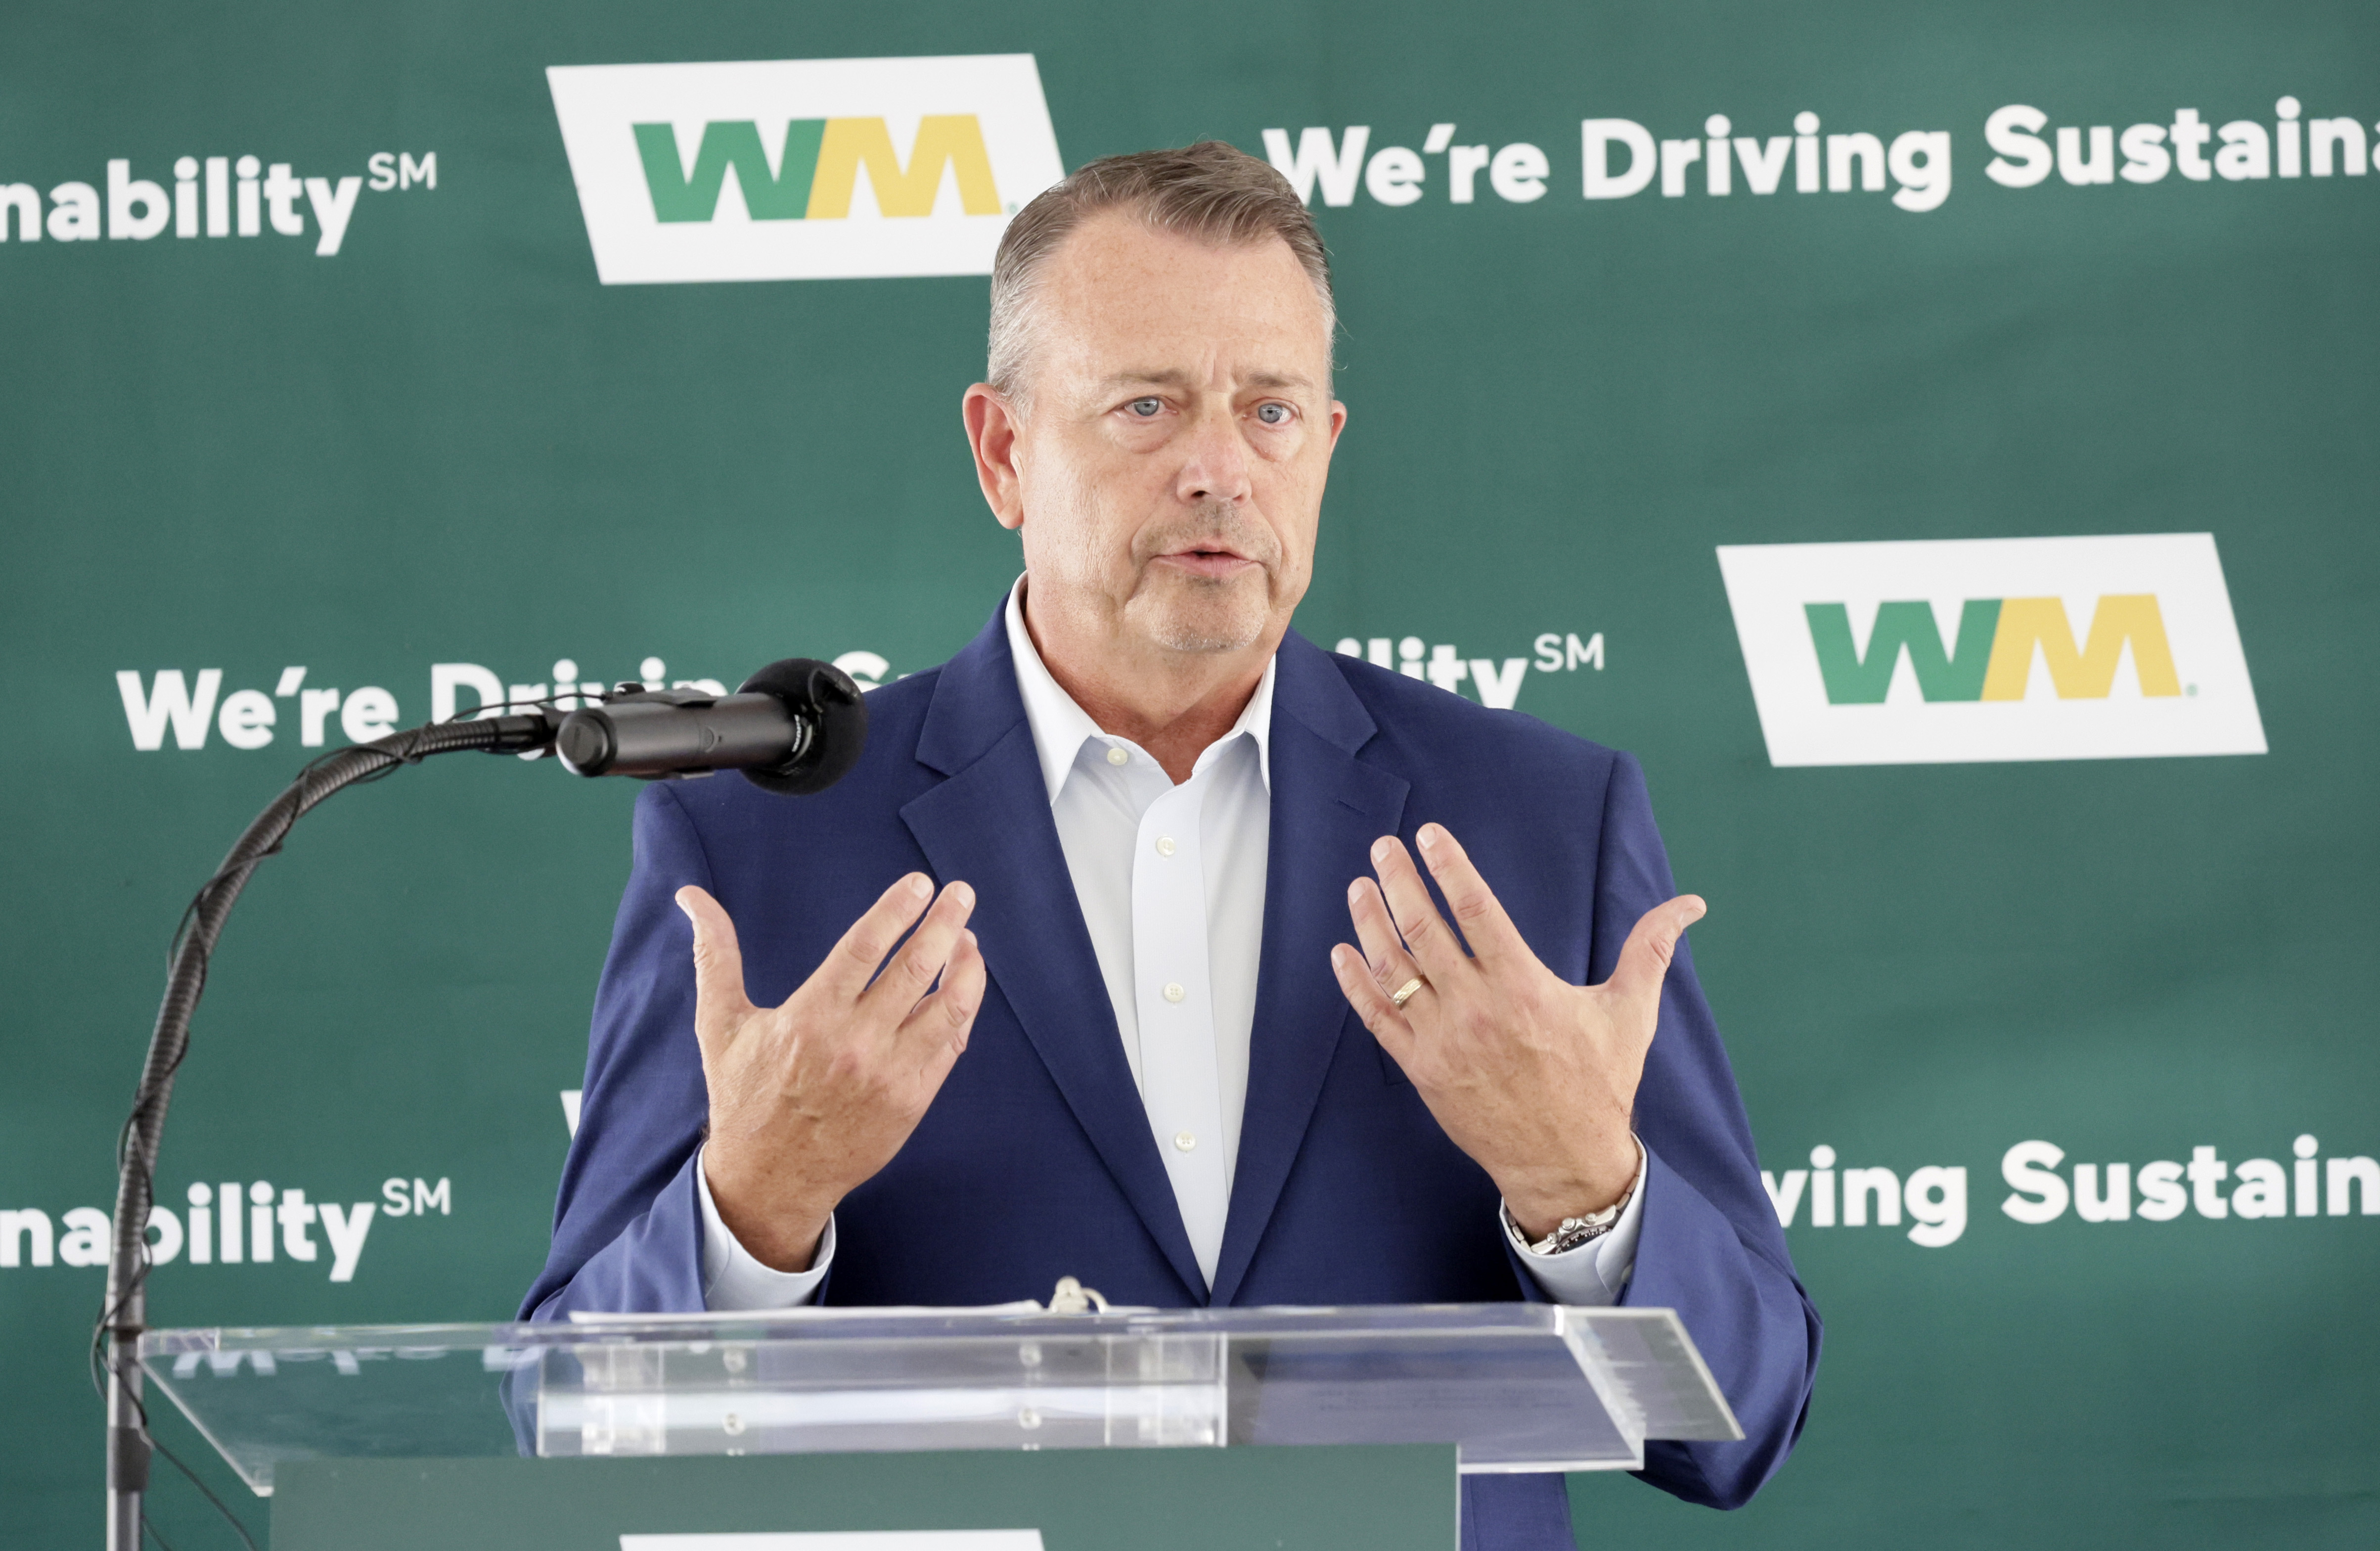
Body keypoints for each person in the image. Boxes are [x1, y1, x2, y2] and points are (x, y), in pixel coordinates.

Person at [524, 140, 1818, 1550]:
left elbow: (1742, 1422)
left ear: (1324, 450)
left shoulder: (1541, 826)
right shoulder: (756, 840)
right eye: (1148, 406)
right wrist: (753, 1209)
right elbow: (566, 1422)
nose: (1219, 470)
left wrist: (1588, 1192)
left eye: (1270, 411)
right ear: (1004, 452)